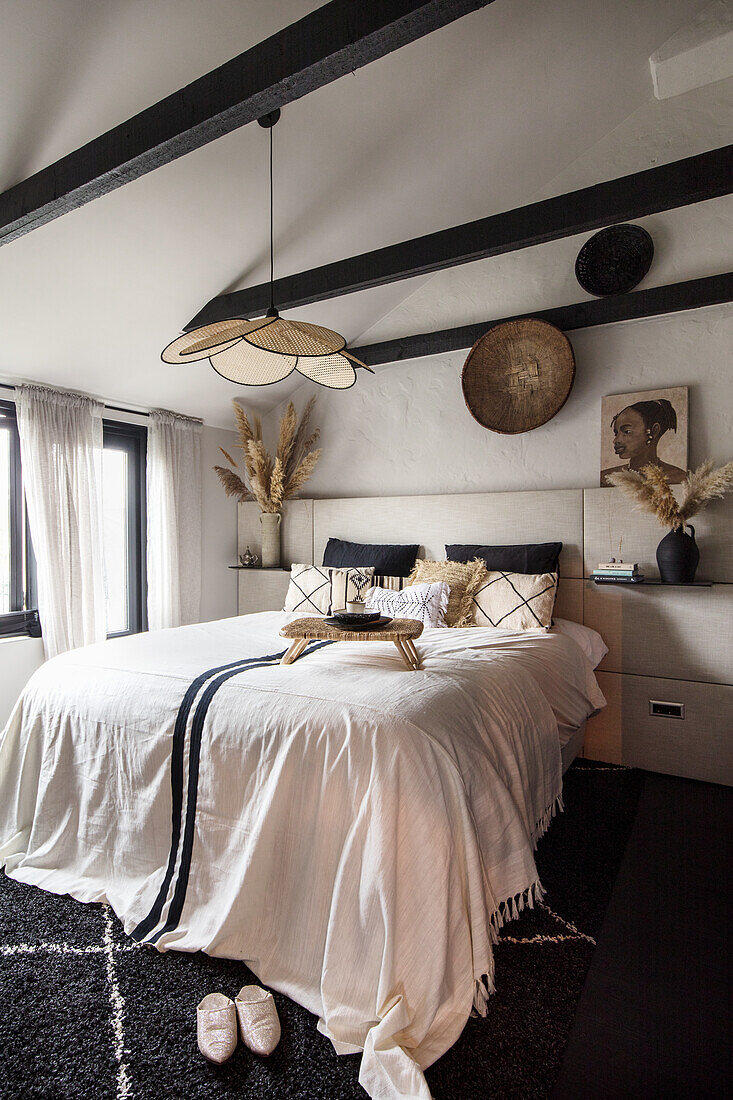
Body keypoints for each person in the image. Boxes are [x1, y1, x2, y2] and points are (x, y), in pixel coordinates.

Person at [601, 398, 687, 486]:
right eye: (616, 433)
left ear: (654, 430)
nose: (616, 440)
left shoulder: (679, 478)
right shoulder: (605, 478)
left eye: (627, 431)